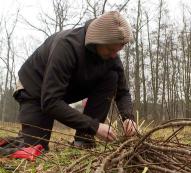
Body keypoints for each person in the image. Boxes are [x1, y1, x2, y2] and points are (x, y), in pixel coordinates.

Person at [9, 11, 137, 151]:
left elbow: (123, 92)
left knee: (112, 76)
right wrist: (94, 127)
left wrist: (128, 117)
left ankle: (83, 141)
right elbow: (50, 102)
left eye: (117, 51)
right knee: (33, 149)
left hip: (62, 90)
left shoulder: (112, 58)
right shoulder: (67, 46)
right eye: (110, 49)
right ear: (97, 41)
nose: (114, 55)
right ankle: (22, 138)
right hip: (34, 88)